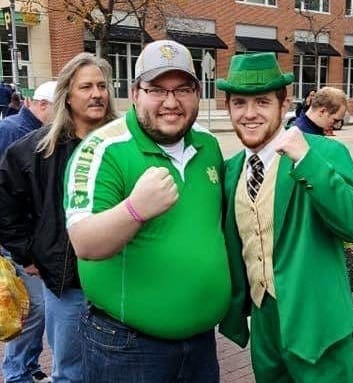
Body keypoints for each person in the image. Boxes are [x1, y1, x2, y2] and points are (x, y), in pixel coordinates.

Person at [64, 40, 231, 383]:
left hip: (200, 344)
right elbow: (84, 243)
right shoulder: (102, 149)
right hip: (128, 349)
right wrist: (135, 210)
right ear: (135, 92)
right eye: (157, 89)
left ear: (198, 93)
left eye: (183, 89)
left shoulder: (208, 144)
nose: (171, 102)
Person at [216, 52, 353, 383]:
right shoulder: (230, 171)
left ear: (283, 104)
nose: (250, 113)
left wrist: (306, 160)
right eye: (239, 103)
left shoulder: (325, 152)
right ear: (227, 107)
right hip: (264, 326)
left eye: (262, 102)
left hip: (320, 327)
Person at [0, 52, 118, 383]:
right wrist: (27, 253)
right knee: (70, 372)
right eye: (86, 87)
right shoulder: (35, 149)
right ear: (67, 93)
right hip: (68, 284)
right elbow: (5, 202)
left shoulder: (123, 142)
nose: (96, 93)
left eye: (101, 85)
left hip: (120, 277)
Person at [0, 80, 56, 383]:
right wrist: (19, 247)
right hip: (18, 240)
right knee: (32, 308)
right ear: (43, 105)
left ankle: (28, 366)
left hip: (26, 237)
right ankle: (17, 372)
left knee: (35, 307)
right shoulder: (13, 132)